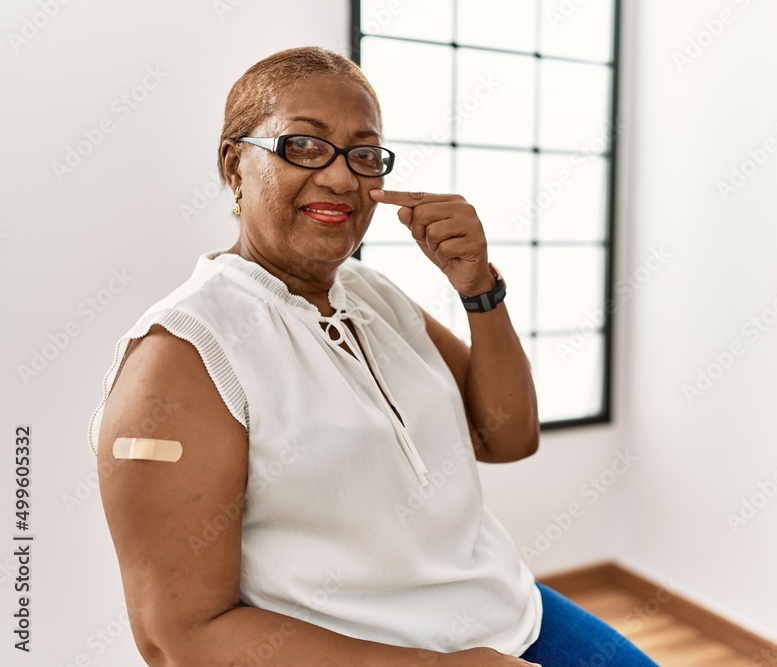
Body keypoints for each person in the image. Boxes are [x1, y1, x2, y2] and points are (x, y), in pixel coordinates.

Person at [89, 46, 658, 666]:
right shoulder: (183, 357)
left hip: (508, 611)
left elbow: (507, 437)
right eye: (302, 145)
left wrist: (478, 288)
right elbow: (180, 639)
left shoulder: (373, 294)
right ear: (234, 165)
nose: (340, 178)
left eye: (363, 154)